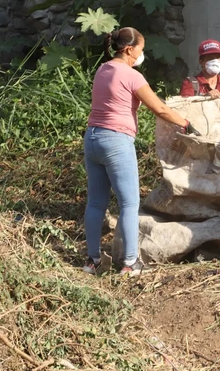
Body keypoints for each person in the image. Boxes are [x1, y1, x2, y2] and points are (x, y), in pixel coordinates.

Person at [83, 27, 199, 277]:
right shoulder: (132, 75)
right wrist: (186, 123)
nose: (141, 54)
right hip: (116, 141)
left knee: (95, 203)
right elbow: (159, 108)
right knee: (129, 203)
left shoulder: (103, 69)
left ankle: (92, 261)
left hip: (92, 138)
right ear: (128, 50)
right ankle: (130, 262)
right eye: (140, 49)